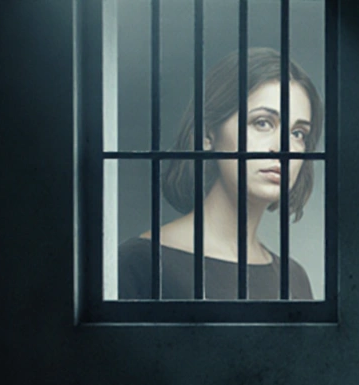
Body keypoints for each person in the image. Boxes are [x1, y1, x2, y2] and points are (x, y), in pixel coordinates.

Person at [119, 47, 323, 300]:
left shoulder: (294, 279)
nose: (284, 148)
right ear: (208, 135)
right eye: (262, 123)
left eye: (298, 133)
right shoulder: (141, 264)